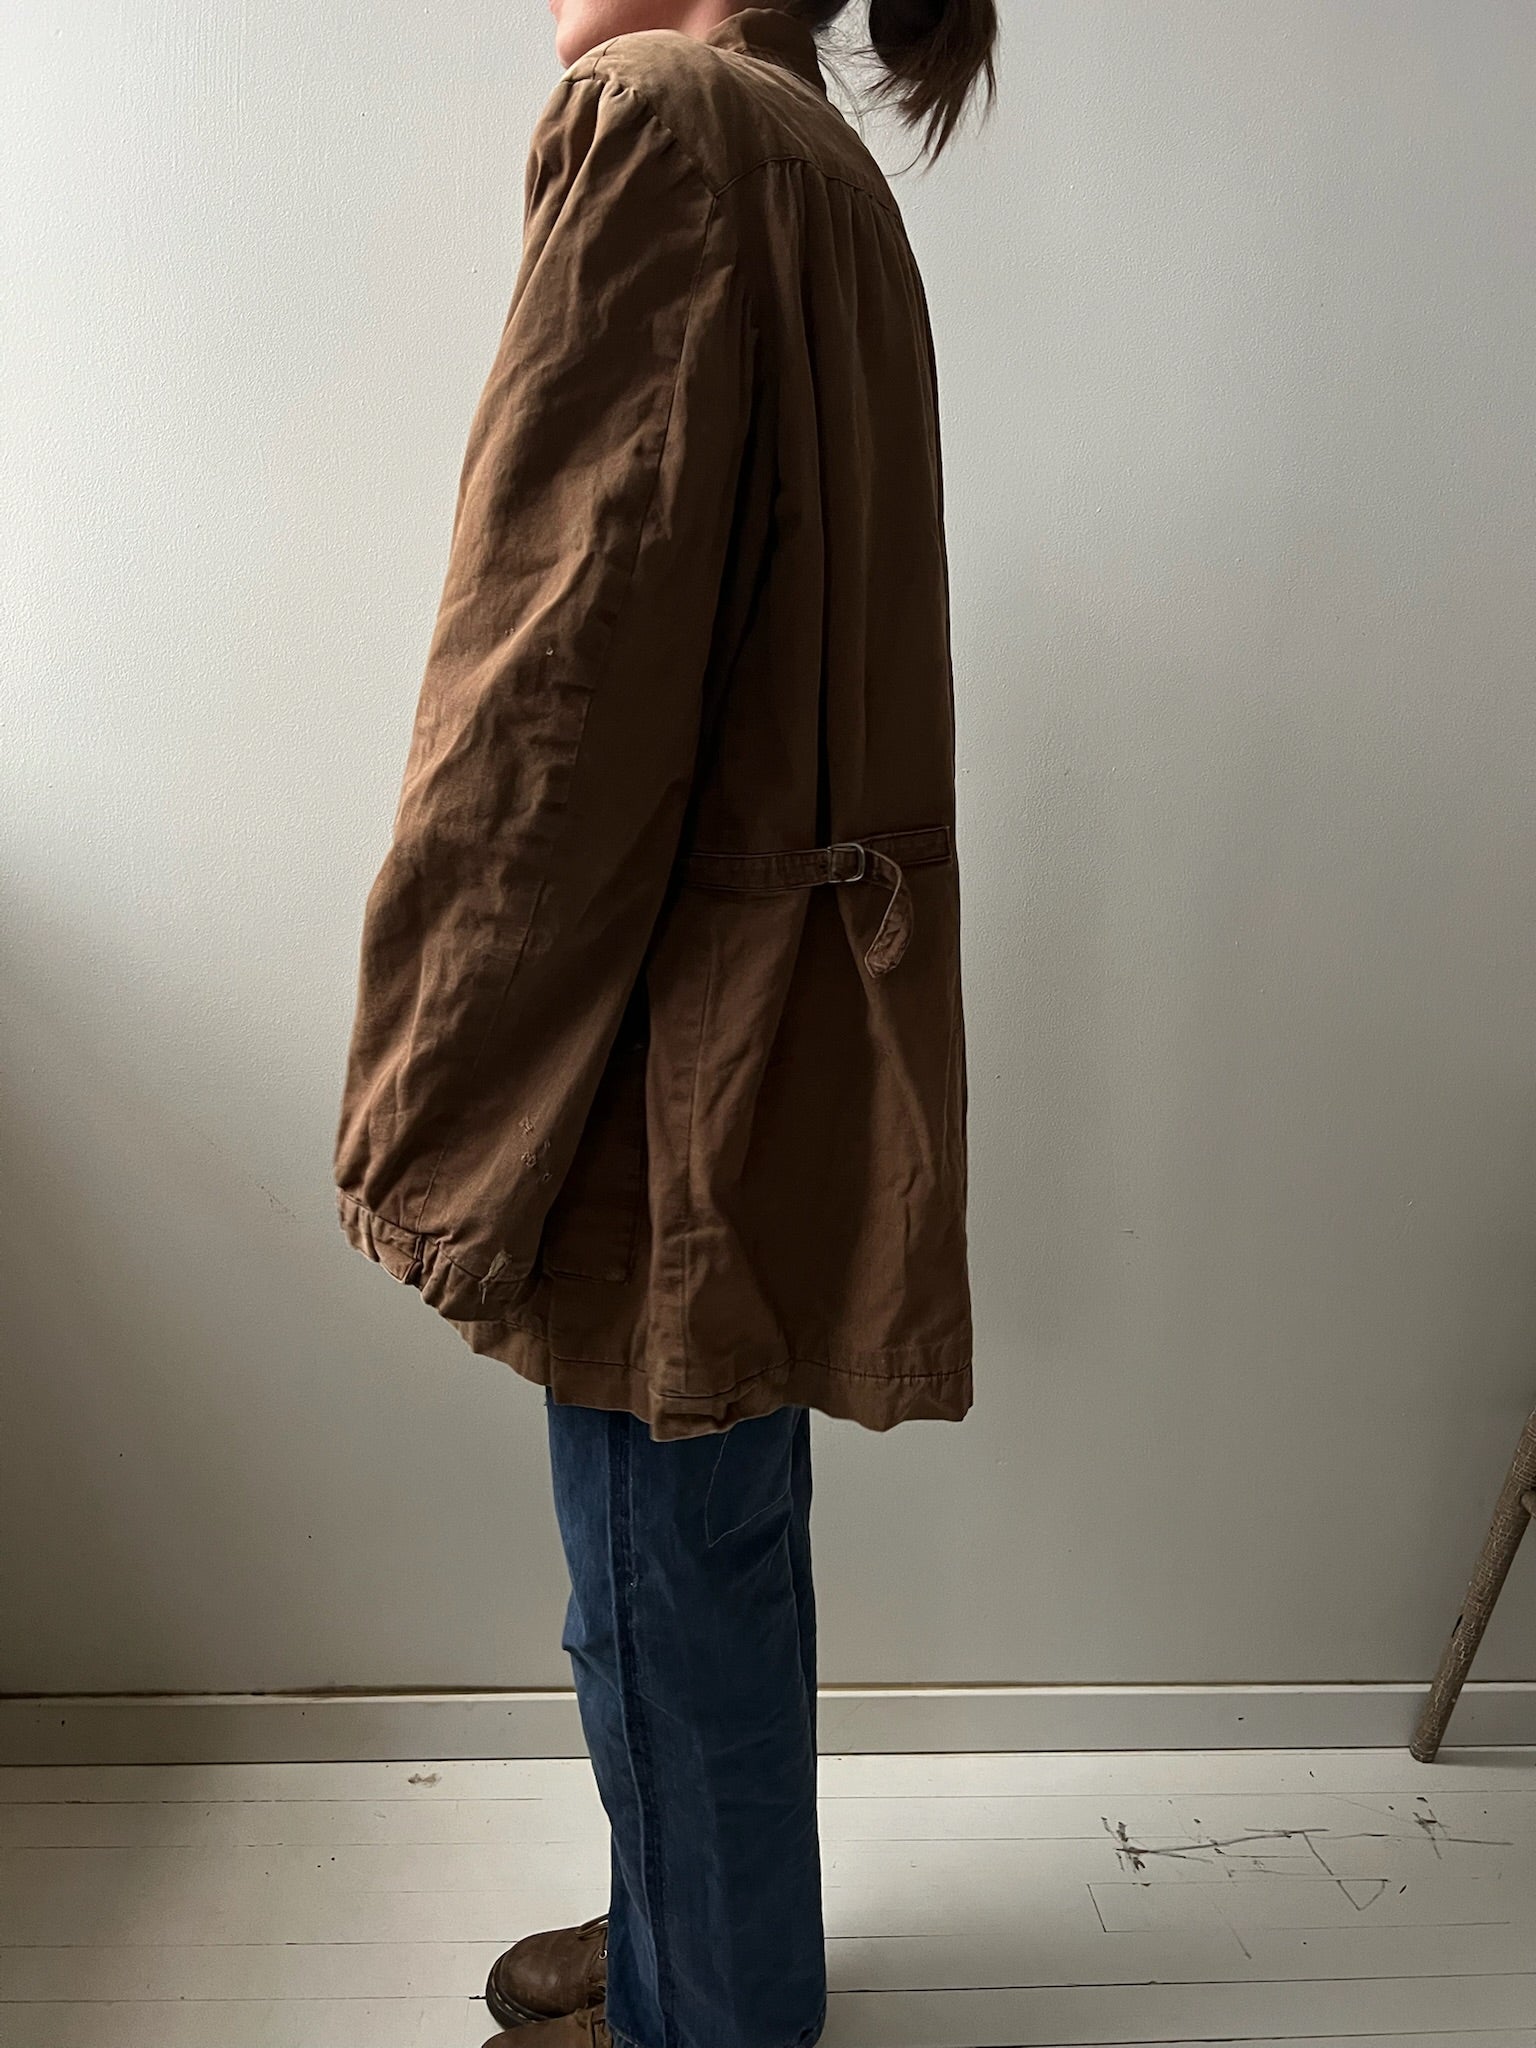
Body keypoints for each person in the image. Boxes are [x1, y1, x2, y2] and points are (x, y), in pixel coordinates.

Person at [332, 0, 996, 2041]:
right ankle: (710, 1957)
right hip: (781, 1009)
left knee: (653, 1578)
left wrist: (430, 1080)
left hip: (659, 1032)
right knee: (721, 1551)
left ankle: (702, 2014)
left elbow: (556, 685)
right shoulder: (813, 154)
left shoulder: (659, 125)